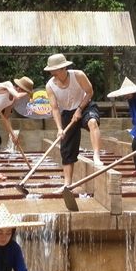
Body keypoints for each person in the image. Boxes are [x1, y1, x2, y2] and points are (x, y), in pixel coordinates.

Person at [44, 52, 103, 189]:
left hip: (84, 105)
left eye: (55, 72)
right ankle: (67, 184)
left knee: (92, 122)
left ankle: (96, 156)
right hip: (67, 112)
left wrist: (80, 109)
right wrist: (59, 128)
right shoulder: (50, 86)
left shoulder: (78, 75)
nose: (53, 74)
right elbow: (55, 108)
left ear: (63, 68)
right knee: (66, 148)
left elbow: (90, 92)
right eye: (51, 72)